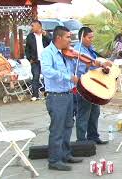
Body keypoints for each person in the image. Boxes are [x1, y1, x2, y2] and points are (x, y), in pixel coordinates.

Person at [41, 26, 83, 171]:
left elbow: (71, 69)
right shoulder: (47, 53)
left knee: (67, 127)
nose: (70, 40)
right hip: (56, 96)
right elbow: (47, 71)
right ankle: (54, 160)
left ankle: (65, 154)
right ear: (58, 38)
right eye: (68, 37)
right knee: (57, 129)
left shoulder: (66, 53)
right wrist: (68, 77)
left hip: (68, 94)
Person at [73, 26, 108, 145]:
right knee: (83, 113)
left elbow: (95, 63)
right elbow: (82, 69)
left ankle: (93, 136)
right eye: (89, 37)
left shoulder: (90, 49)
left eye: (93, 37)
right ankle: (81, 140)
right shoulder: (78, 51)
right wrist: (94, 64)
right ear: (82, 37)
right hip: (84, 87)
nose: (91, 40)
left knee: (95, 112)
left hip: (93, 86)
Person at [25, 20, 51, 101]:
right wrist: (29, 59)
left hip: (45, 60)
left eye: (33, 26)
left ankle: (48, 93)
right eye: (31, 26)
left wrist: (46, 35)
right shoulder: (30, 36)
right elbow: (27, 49)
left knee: (47, 77)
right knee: (35, 77)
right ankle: (35, 95)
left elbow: (52, 43)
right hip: (35, 60)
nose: (31, 27)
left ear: (38, 26)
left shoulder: (46, 34)